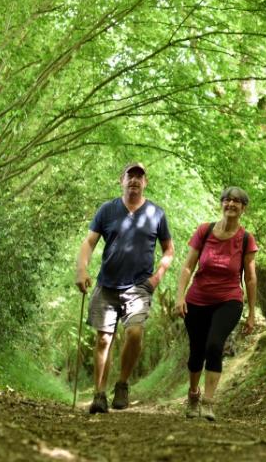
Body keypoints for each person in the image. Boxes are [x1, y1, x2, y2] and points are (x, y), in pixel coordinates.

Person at [75, 162, 174, 414]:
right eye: (131, 176)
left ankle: (122, 384)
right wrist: (82, 270)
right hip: (107, 284)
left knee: (135, 334)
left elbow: (169, 250)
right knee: (103, 340)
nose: (135, 181)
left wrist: (157, 276)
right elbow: (89, 242)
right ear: (122, 180)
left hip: (139, 286)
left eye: (140, 177)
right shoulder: (107, 210)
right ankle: (99, 394)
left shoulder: (156, 214)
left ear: (145, 183)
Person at [175, 186, 258, 421]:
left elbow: (250, 278)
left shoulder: (246, 239)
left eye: (236, 201)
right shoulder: (205, 230)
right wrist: (180, 296)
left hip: (228, 299)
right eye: (227, 200)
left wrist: (252, 313)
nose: (231, 204)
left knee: (214, 345)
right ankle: (193, 395)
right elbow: (188, 266)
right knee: (196, 352)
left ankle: (209, 402)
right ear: (221, 204)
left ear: (243, 208)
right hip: (197, 299)